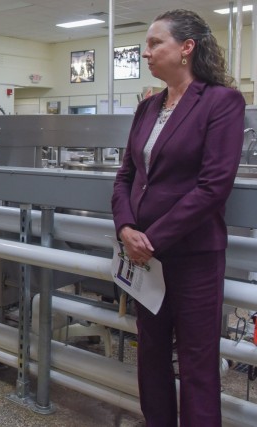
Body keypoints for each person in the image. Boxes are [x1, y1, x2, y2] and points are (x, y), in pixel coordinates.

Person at [111, 10, 245, 427]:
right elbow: (126, 176)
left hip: (194, 255)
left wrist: (151, 237)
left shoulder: (222, 102)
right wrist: (126, 229)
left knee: (197, 364)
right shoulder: (148, 107)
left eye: (155, 44)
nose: (146, 53)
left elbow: (213, 186)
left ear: (186, 48)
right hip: (145, 257)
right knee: (150, 357)